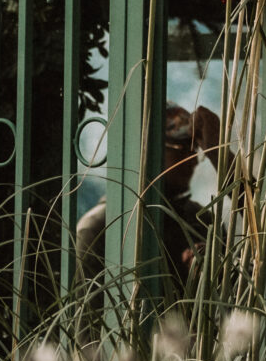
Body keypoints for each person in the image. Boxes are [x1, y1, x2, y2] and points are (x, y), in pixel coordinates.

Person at [73, 104, 219, 291]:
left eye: (193, 151)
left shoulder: (200, 221)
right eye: (180, 150)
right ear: (147, 152)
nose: (192, 161)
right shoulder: (98, 229)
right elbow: (90, 315)